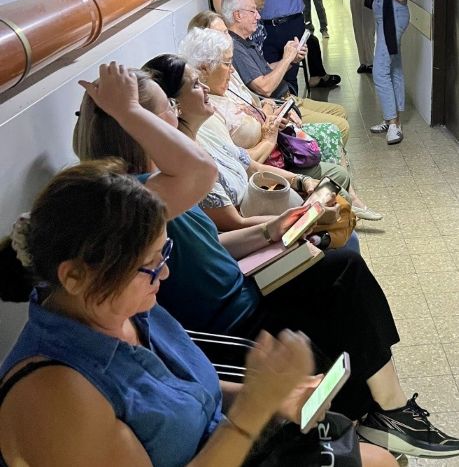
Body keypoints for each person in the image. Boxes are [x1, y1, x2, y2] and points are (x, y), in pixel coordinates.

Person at [71, 64, 459, 459]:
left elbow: (212, 245)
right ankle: (386, 414)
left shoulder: (156, 184)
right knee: (342, 281)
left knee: (341, 271)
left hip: (243, 290)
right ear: (138, 126)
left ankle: (387, 411)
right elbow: (201, 171)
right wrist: (128, 109)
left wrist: (270, 231)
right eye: (166, 108)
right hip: (231, 321)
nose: (175, 112)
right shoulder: (135, 198)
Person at [0, 159, 334, 467]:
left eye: (164, 254)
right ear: (75, 277)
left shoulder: (126, 306)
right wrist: (253, 411)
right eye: (149, 264)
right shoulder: (54, 399)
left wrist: (270, 396)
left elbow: (190, 398)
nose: (164, 273)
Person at [176, 29, 382, 225]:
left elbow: (249, 160)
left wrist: (301, 181)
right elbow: (239, 215)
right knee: (336, 191)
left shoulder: (218, 98)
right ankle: (346, 213)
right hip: (267, 181)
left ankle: (347, 211)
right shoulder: (207, 121)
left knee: (336, 181)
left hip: (275, 159)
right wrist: (297, 217)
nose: (232, 69)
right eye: (228, 63)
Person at [221, 0, 350, 145]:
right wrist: (287, 58)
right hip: (280, 105)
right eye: (253, 11)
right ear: (238, 15)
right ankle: (324, 155)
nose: (258, 16)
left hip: (288, 99)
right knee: (341, 126)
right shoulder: (235, 48)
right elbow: (264, 87)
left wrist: (292, 60)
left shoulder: (245, 41)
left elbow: (268, 70)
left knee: (340, 112)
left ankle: (329, 153)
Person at [362, 0, 415, 145]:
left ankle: (394, 123)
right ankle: (391, 118)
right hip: (384, 12)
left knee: (380, 70)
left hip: (393, 14)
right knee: (393, 66)